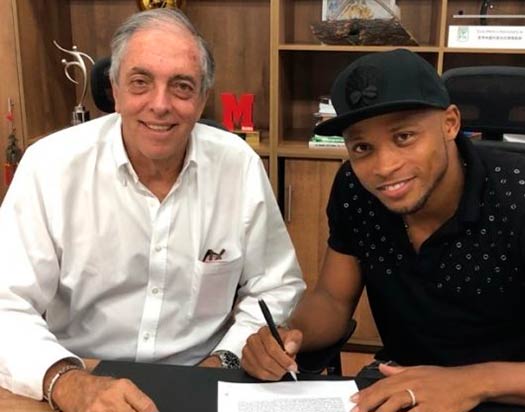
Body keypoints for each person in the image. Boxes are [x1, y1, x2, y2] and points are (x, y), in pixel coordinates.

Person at [241, 49, 525, 411]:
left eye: (403, 137)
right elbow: (333, 300)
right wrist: (287, 337)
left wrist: (470, 382)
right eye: (362, 147)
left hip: (518, 391)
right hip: (403, 382)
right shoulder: (356, 190)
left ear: (450, 123)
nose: (384, 166)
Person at [0, 8, 304, 412]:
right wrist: (68, 382)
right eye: (140, 82)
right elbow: (7, 303)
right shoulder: (50, 165)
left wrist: (228, 357)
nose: (160, 105)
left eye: (182, 87)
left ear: (202, 100)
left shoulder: (238, 166)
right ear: (115, 89)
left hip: (200, 375)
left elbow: (276, 286)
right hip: (79, 374)